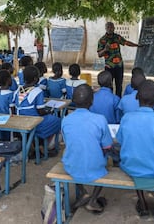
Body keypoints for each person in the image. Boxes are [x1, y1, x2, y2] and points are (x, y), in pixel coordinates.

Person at [116, 80, 154, 218]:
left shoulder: (126, 118)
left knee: (136, 160)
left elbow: (121, 142)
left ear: (137, 97)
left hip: (130, 167)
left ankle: (143, 204)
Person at [62, 84, 113, 213]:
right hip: (95, 166)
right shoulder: (100, 119)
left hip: (71, 165)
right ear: (92, 101)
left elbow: (69, 142)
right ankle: (93, 199)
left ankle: (83, 192)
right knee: (108, 160)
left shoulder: (66, 120)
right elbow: (107, 146)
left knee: (76, 153)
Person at [17, 65, 61, 156]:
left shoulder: (18, 90)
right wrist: (49, 111)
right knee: (57, 121)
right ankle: (45, 146)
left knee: (47, 120)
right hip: (34, 122)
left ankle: (38, 144)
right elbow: (41, 112)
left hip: (20, 120)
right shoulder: (37, 91)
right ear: (35, 79)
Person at [97, 22, 141, 97]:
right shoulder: (102, 40)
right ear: (106, 28)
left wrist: (137, 45)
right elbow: (99, 55)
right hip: (109, 66)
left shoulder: (117, 37)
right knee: (109, 86)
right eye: (108, 27)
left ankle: (118, 101)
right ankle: (110, 100)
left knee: (119, 85)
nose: (110, 29)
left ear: (114, 28)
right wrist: (105, 50)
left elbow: (126, 42)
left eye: (111, 27)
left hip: (119, 65)